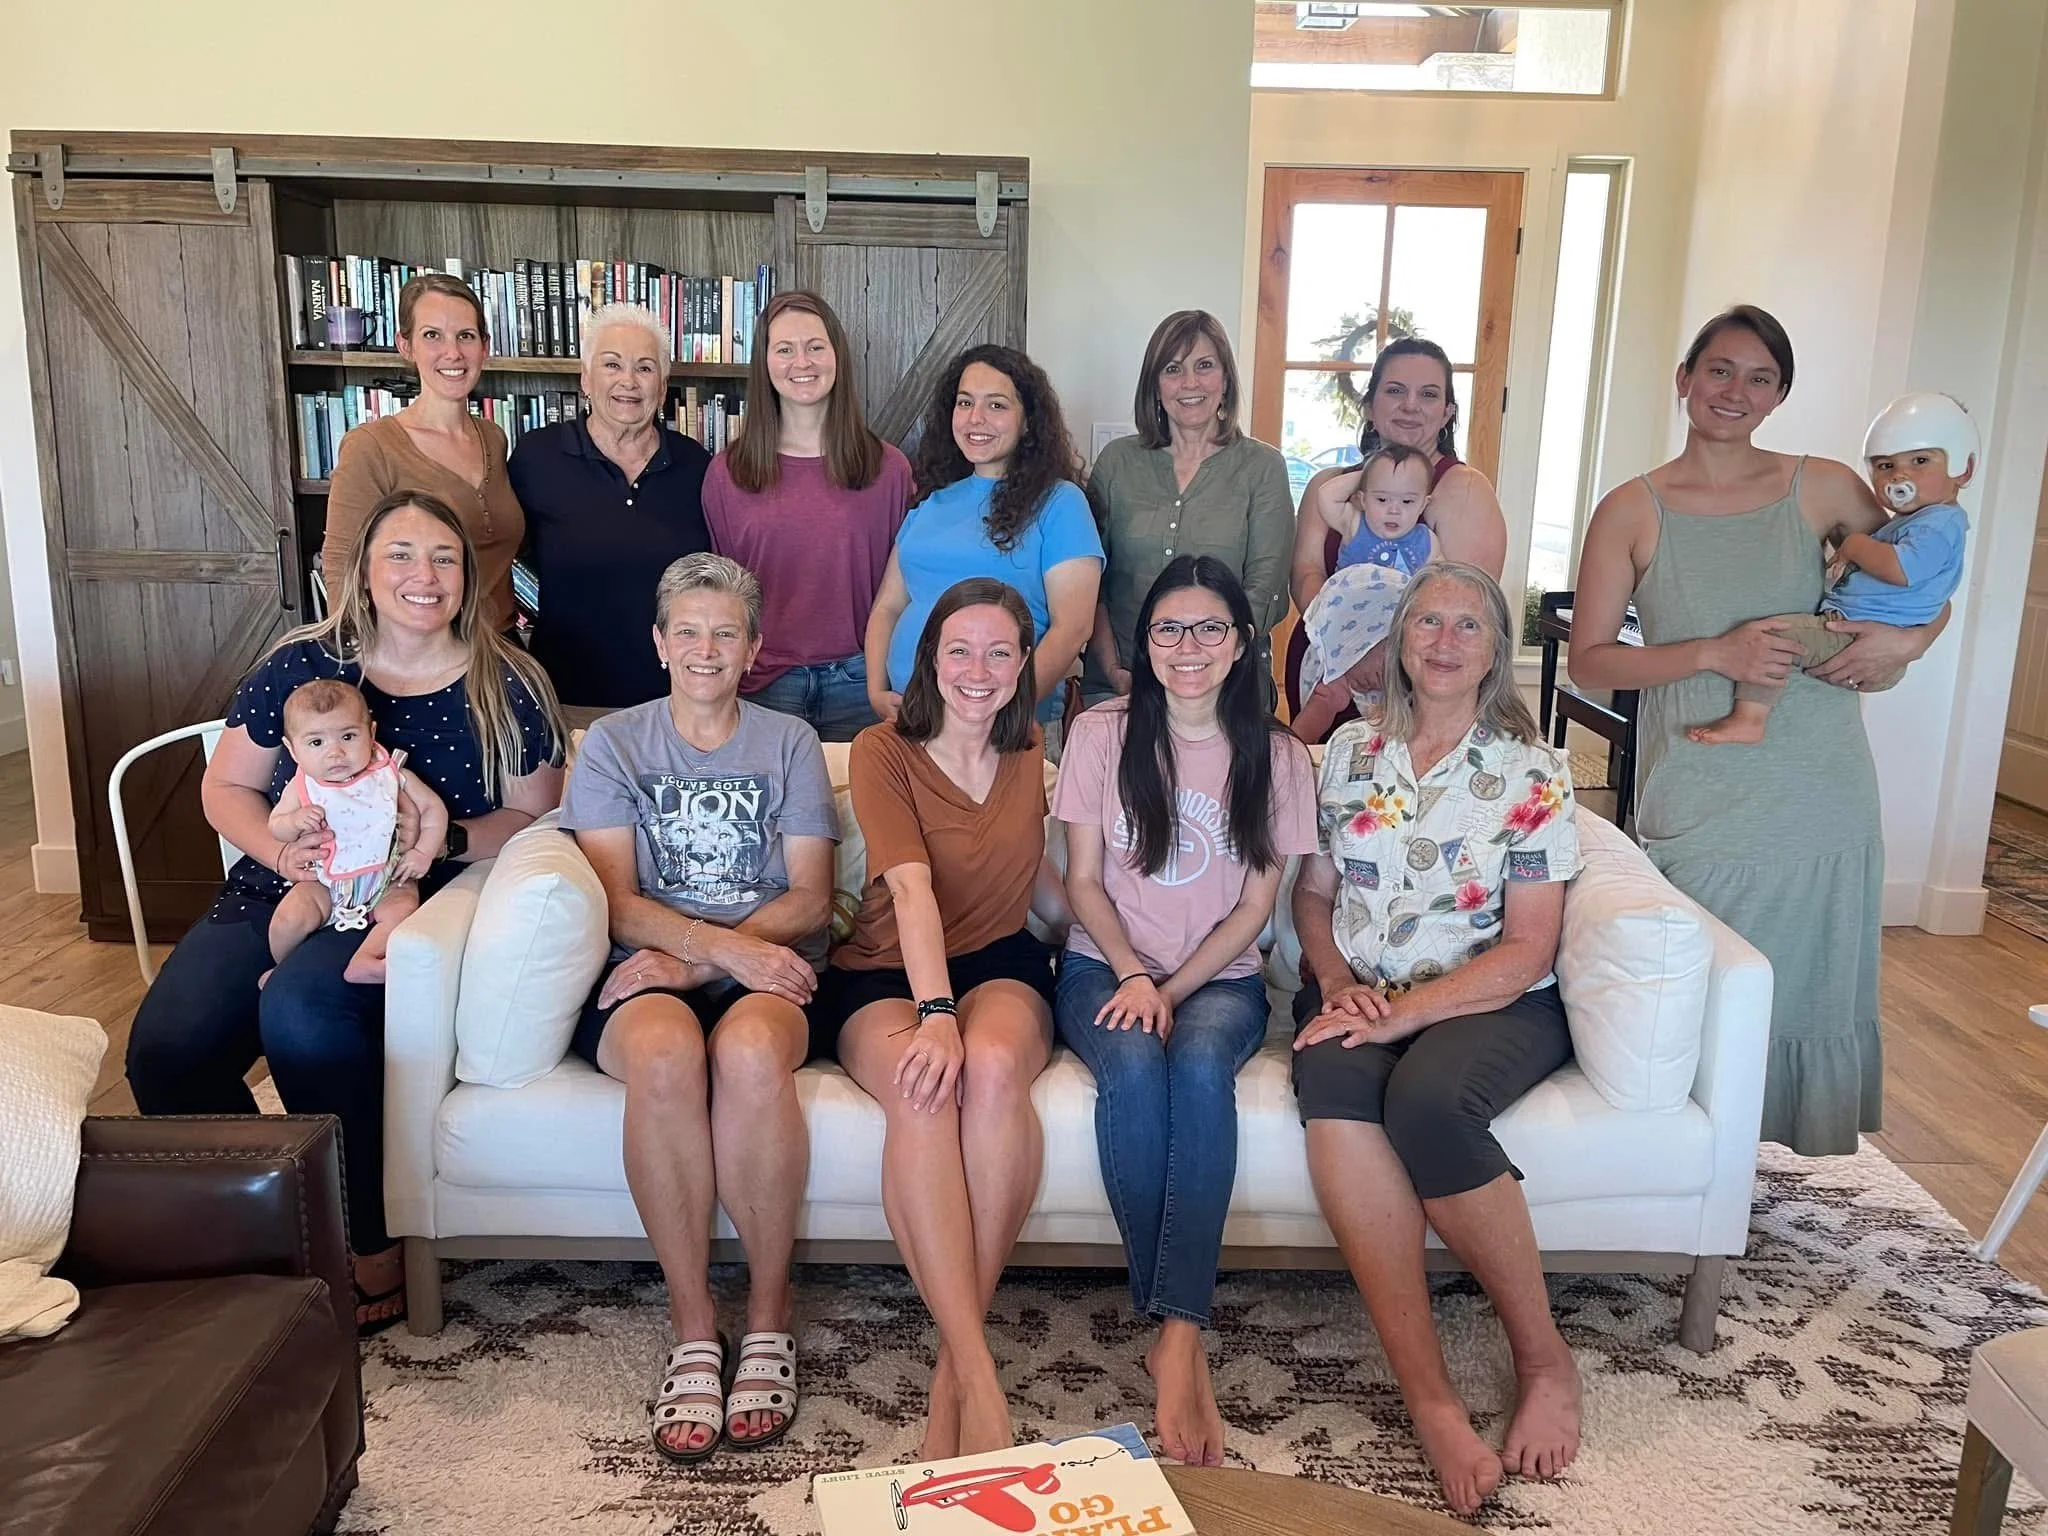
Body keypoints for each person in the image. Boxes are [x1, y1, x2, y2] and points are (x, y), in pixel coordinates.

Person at [127, 490, 564, 1333]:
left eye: (443, 557)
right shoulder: (301, 663)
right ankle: (265, 1225)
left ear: (468, 577)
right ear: (363, 570)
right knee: (167, 1049)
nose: (422, 575)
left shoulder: (507, 680)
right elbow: (226, 787)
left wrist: (441, 842)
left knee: (306, 1016)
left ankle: (369, 1236)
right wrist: (281, 853)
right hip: (277, 886)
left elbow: (536, 818)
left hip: (401, 899)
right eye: (400, 553)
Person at [1569, 304, 1948, 1155]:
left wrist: (1910, 641)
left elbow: (1925, 582)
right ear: (1685, 380)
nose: (1735, 391)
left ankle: (1746, 1182)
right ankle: (1682, 1164)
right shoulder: (1631, 509)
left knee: (1803, 984)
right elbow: (1591, 663)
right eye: (1719, 370)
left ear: (1780, 395)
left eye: (1760, 378)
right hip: (1699, 783)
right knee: (1691, 989)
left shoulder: (1826, 487)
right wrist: (1715, 650)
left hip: (1821, 779)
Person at [1291, 562, 1582, 1516]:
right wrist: (1336, 985)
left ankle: (1543, 1361)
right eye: (1427, 623)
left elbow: (1532, 944)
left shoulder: (1530, 770)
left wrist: (1406, 1011)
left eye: (1468, 625)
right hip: (1357, 994)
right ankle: (1431, 1400)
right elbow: (1315, 893)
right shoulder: (1347, 752)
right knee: (1332, 1082)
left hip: (1492, 1000)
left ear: (1498, 647)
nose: (1445, 642)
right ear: (1399, 640)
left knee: (1422, 1102)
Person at [560, 552, 839, 1462]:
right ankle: (692, 1327)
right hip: (658, 968)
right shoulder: (613, 744)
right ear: (659, 643)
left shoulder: (789, 742)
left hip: (763, 972)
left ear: (754, 647)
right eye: (688, 630)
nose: (706, 648)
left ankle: (767, 1313)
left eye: (725, 632)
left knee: (753, 1055)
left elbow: (809, 895)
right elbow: (615, 897)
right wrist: (713, 953)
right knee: (668, 1057)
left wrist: (718, 964)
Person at [1053, 556, 1316, 1466]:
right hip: (1101, 967)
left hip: (1221, 980)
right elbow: (1082, 881)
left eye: (1210, 629)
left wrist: (1167, 990)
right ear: (1143, 643)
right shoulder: (1101, 733)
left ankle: (1175, 1331)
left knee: (1199, 1064)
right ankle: (1180, 1325)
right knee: (1131, 1063)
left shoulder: (1277, 756)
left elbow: (1253, 910)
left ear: (1244, 644)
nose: (1188, 647)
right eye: (1169, 629)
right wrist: (1130, 975)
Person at [812, 578, 1070, 1459]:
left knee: (994, 1071)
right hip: (887, 972)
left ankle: (952, 1369)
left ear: (1025, 662)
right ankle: (979, 1377)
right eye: (959, 649)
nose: (979, 669)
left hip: (1000, 960)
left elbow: (1037, 882)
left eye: (1001, 652)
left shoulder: (1032, 742)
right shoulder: (884, 750)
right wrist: (935, 1013)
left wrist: (1123, 940)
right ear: (928, 656)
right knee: (927, 1090)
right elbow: (912, 890)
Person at [1688, 390, 1977, 744]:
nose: (1900, 476)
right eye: (1885, 466)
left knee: (1770, 638)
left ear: (1964, 468)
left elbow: (1903, 572)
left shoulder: (1937, 524)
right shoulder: (1916, 523)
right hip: (1855, 633)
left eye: (1920, 461)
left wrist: (1855, 545)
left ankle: (1750, 718)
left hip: (1855, 635)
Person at [704, 290, 915, 740]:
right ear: (764, 364)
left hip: (863, 684)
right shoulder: (728, 473)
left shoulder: (888, 469)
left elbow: (902, 590)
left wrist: (880, 676)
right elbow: (724, 594)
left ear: (837, 354)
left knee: (860, 810)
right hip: (762, 685)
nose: (803, 362)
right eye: (784, 349)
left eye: (815, 346)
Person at [865, 345, 1102, 731]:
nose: (976, 418)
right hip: (912, 719)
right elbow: (888, 607)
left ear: (1027, 421)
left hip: (1006, 726)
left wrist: (1005, 711)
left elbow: (1073, 627)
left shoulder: (1060, 503)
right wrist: (876, 691)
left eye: (996, 405)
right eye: (965, 402)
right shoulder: (931, 501)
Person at [1285, 337, 1507, 735]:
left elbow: (1466, 606)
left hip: (1409, 683)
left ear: (1446, 413)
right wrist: (1344, 645)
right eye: (1394, 391)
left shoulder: (1465, 488)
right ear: (1369, 406)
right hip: (1327, 663)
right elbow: (1305, 571)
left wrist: (1381, 657)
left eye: (1428, 394)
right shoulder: (1330, 483)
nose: (1410, 405)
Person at [507, 302, 713, 724]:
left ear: (663, 384)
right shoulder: (537, 457)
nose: (628, 382)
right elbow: (499, 552)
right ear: (585, 379)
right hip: (568, 699)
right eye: (612, 364)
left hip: (675, 703)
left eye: (644, 368)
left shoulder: (697, 465)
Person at [1084, 311, 1294, 706]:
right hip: (1122, 683)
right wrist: (1115, 670)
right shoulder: (1116, 462)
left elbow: (1264, 591)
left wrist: (1202, 672)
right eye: (1173, 368)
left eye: (1205, 366)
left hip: (1228, 688)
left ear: (1226, 378)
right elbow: (1089, 581)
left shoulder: (1263, 468)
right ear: (1154, 384)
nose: (1190, 383)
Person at [324, 274, 525, 631]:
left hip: (500, 649)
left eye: (466, 336)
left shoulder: (494, 438)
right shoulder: (372, 447)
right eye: (433, 335)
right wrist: (358, 661)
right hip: (420, 655)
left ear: (484, 346)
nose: (453, 352)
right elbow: (343, 566)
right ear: (406, 345)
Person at [264, 679, 447, 985]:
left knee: (404, 908)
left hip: (388, 877)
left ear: (371, 733)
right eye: (316, 743)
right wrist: (294, 821)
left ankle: (367, 959)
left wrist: (422, 852)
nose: (335, 753)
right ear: (292, 750)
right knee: (289, 917)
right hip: (324, 882)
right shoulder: (302, 787)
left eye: (348, 736)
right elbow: (276, 825)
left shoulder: (391, 773)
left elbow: (432, 809)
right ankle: (282, 966)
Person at [1291, 442, 1440, 744]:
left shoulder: (1427, 542)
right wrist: (1368, 476)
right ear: (1362, 497)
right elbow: (1326, 495)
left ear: (1424, 504)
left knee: (1394, 709)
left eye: (1408, 501)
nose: (1394, 510)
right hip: (1347, 630)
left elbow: (1439, 587)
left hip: (1390, 638)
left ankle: (1382, 757)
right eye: (1382, 498)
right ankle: (1294, 751)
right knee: (1327, 694)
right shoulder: (1355, 523)